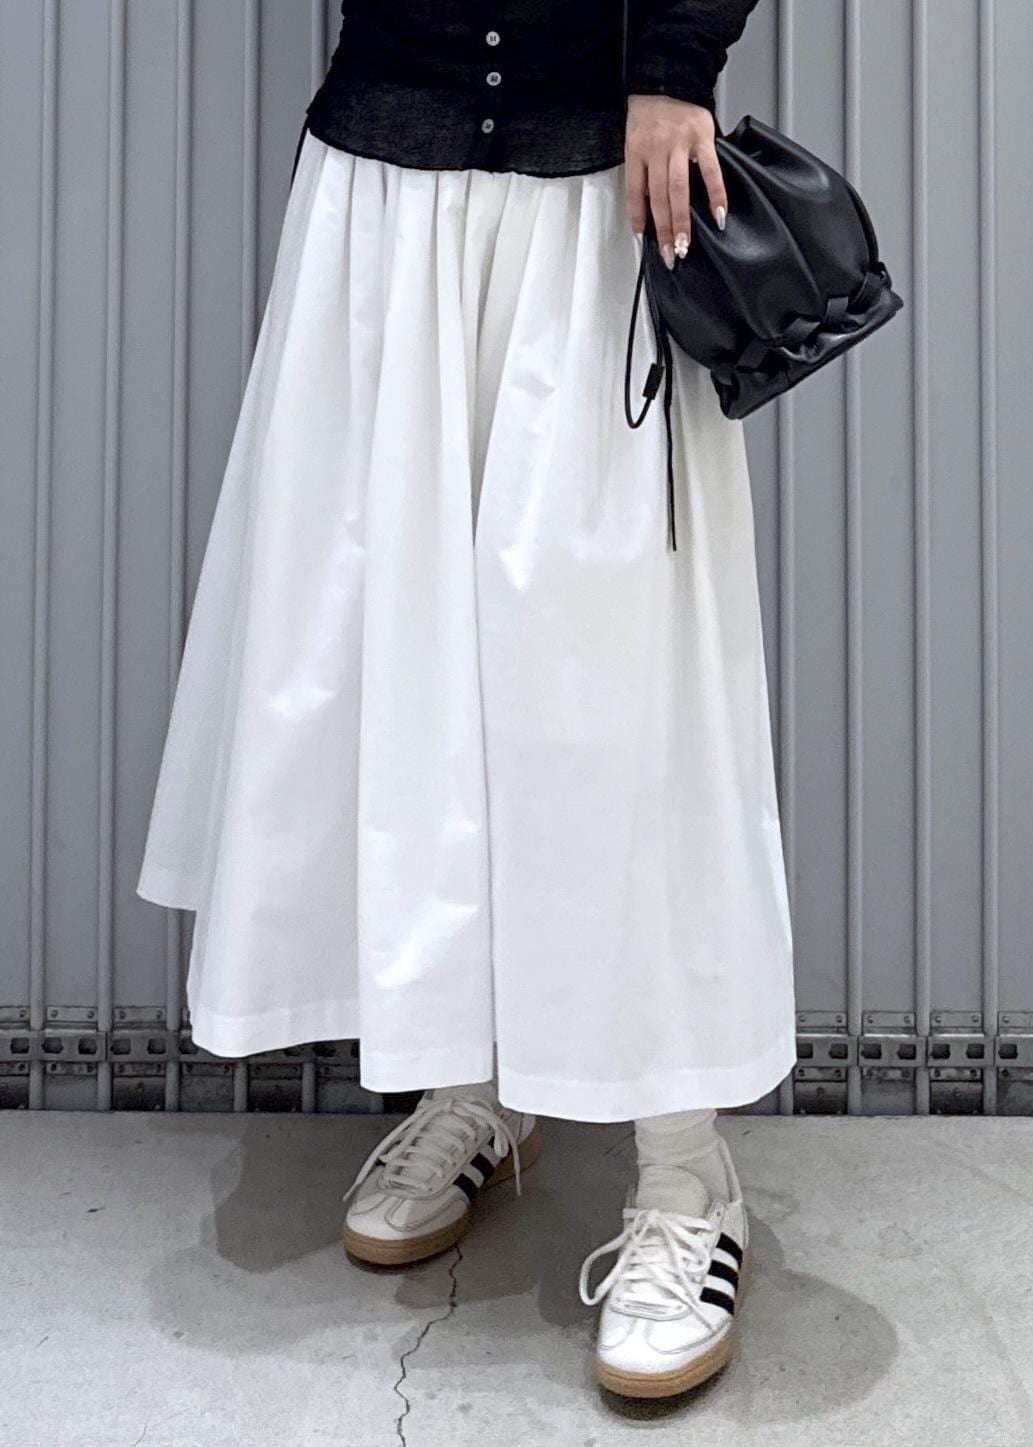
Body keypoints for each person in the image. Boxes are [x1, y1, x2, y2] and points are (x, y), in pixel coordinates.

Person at [137, 0, 796, 1400]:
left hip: (599, 184)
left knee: (619, 693)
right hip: (384, 187)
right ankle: (469, 1086)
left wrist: (673, 70)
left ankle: (688, 1176)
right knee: (400, 667)